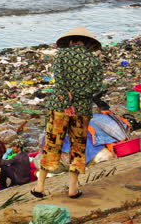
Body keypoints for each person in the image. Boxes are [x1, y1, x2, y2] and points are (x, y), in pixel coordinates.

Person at [32, 26, 103, 199]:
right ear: (86, 43)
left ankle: (40, 186)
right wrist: (77, 96)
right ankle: (73, 189)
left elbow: (60, 80)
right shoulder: (94, 61)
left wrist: (67, 98)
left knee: (52, 144)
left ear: (70, 41)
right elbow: (96, 87)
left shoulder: (61, 55)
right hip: (82, 110)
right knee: (77, 147)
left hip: (59, 107)